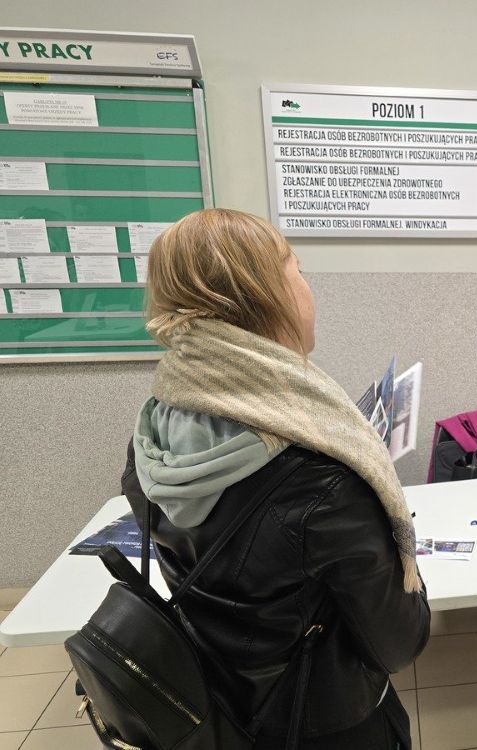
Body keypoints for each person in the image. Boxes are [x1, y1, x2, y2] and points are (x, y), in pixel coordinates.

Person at [120, 208, 430, 749]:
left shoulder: (154, 433)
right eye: (298, 269)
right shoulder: (321, 479)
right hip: (323, 721)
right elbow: (399, 643)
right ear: (265, 296)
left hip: (219, 702)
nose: (307, 287)